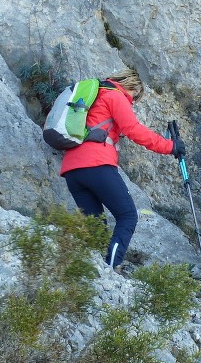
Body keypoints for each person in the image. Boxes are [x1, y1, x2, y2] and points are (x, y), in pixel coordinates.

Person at [60, 67, 181, 269]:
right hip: (97, 164)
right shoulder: (115, 96)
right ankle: (109, 269)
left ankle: (89, 272)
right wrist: (170, 146)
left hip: (73, 170)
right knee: (127, 216)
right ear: (131, 86)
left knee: (95, 227)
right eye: (134, 97)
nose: (132, 102)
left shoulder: (94, 94)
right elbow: (134, 130)